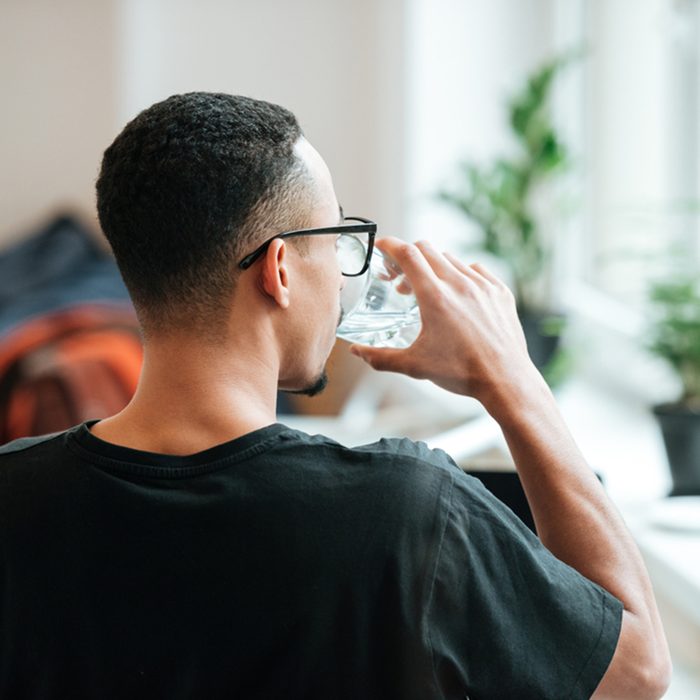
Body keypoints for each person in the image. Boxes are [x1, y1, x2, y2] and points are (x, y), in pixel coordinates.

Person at [0, 92, 670, 699]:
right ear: (280, 269)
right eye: (339, 239)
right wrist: (514, 381)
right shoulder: (408, 513)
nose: (349, 277)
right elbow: (636, 676)